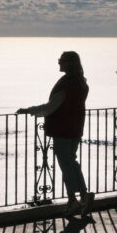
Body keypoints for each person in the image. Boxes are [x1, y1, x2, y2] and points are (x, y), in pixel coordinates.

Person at [17, 51, 94, 218]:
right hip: (75, 128)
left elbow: (51, 107)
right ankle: (83, 195)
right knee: (72, 163)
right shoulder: (81, 82)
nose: (58, 63)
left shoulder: (66, 83)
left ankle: (73, 199)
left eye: (61, 60)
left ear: (68, 63)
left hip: (63, 129)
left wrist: (28, 110)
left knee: (66, 166)